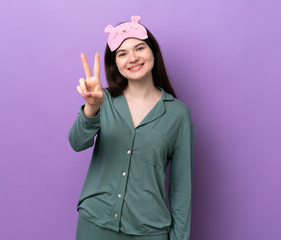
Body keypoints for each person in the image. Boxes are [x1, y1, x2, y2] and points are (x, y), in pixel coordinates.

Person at [69, 15, 194, 240]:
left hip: (149, 231)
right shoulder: (102, 100)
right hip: (94, 225)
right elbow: (77, 142)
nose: (133, 58)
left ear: (153, 52)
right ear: (115, 63)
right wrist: (91, 108)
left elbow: (181, 189)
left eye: (139, 48)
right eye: (122, 53)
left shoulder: (178, 114)